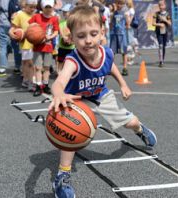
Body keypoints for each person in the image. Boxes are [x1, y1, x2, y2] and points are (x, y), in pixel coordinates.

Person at [48, 6, 157, 198]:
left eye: (93, 34)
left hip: (99, 93)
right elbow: (59, 81)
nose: (88, 40)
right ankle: (62, 176)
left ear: (102, 33)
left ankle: (140, 130)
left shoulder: (106, 53)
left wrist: (123, 83)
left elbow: (111, 67)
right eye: (81, 36)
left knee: (129, 122)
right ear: (71, 38)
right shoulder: (72, 61)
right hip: (75, 98)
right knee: (69, 134)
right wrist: (58, 94)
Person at [28, 0, 59, 97]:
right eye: (46, 7)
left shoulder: (54, 18)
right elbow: (30, 27)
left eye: (50, 7)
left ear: (53, 7)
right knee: (37, 67)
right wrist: (35, 37)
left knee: (46, 67)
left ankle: (45, 85)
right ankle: (38, 86)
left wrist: (50, 37)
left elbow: (56, 31)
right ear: (42, 7)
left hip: (48, 46)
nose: (48, 9)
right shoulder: (36, 17)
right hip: (38, 46)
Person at [9, 0, 37, 91]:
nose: (32, 9)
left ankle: (25, 80)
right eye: (30, 7)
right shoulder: (20, 15)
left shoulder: (36, 15)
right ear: (25, 5)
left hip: (35, 43)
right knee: (29, 63)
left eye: (34, 7)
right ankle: (30, 83)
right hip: (25, 43)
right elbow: (12, 27)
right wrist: (11, 33)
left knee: (27, 63)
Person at [0, 0, 22, 76]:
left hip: (4, 22)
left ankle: (2, 68)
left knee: (3, 46)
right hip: (16, 22)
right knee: (16, 46)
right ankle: (18, 67)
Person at [110, 0, 130, 76]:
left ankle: (125, 68)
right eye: (118, 3)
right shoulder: (114, 13)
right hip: (114, 35)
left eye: (121, 4)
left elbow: (128, 24)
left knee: (124, 52)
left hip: (122, 35)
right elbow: (111, 23)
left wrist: (127, 19)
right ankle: (110, 68)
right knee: (112, 52)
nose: (119, 5)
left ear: (124, 4)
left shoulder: (125, 13)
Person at [56, 3, 75, 72]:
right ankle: (59, 74)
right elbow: (60, 32)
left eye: (65, 12)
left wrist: (70, 38)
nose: (63, 13)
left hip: (71, 47)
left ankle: (68, 75)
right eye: (63, 11)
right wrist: (64, 37)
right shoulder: (61, 22)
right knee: (60, 61)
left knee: (69, 62)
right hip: (62, 46)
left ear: (71, 12)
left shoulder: (74, 23)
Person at [152, 0, 171, 67]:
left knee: (164, 46)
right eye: (159, 5)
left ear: (165, 6)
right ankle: (161, 61)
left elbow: (169, 23)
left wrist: (164, 19)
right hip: (158, 32)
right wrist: (159, 24)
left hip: (165, 32)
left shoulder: (167, 14)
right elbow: (153, 23)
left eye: (162, 5)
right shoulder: (156, 14)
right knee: (160, 45)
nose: (161, 7)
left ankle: (163, 59)